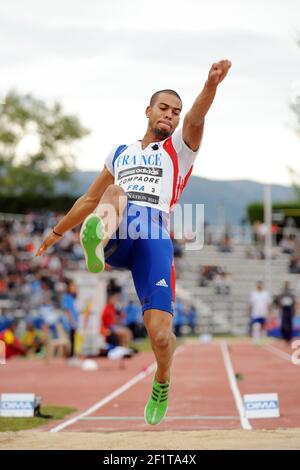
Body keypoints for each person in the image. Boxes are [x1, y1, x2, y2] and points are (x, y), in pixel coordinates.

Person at [36, 59, 232, 425]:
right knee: (113, 190)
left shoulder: (180, 149)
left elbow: (196, 119)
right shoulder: (120, 152)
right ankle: (94, 243)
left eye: (175, 112)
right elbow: (88, 200)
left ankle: (162, 379)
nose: (170, 116)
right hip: (118, 229)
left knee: (159, 335)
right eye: (164, 108)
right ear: (148, 110)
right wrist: (57, 231)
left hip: (154, 238)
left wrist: (211, 86)